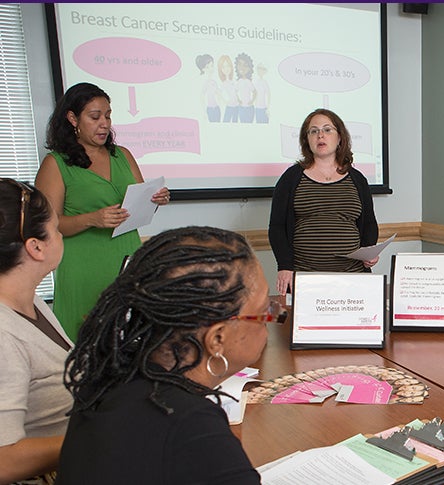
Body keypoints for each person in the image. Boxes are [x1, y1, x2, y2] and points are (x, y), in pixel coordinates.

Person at [57, 226, 274, 483]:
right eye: (264, 311)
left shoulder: (109, 378)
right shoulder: (191, 426)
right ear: (217, 338)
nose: (272, 319)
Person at [35, 82, 170, 342]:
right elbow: (45, 225)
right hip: (83, 264)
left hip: (127, 257)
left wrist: (155, 198)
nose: (105, 123)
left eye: (108, 115)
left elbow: (139, 200)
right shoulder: (56, 164)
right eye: (95, 117)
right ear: (72, 118)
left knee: (130, 338)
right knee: (87, 341)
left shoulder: (123, 155)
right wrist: (91, 219)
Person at [0, 180, 72, 484]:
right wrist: (102, 435)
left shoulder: (31, 301)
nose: (60, 237)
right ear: (36, 247)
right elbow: (4, 462)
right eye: (56, 229)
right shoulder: (4, 335)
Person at [269, 108, 379, 295]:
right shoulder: (291, 178)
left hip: (352, 278)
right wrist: (284, 266)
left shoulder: (357, 179)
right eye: (314, 131)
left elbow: (369, 222)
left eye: (327, 129)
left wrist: (370, 252)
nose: (320, 135)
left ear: (340, 138)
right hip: (305, 278)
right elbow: (277, 227)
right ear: (307, 140)